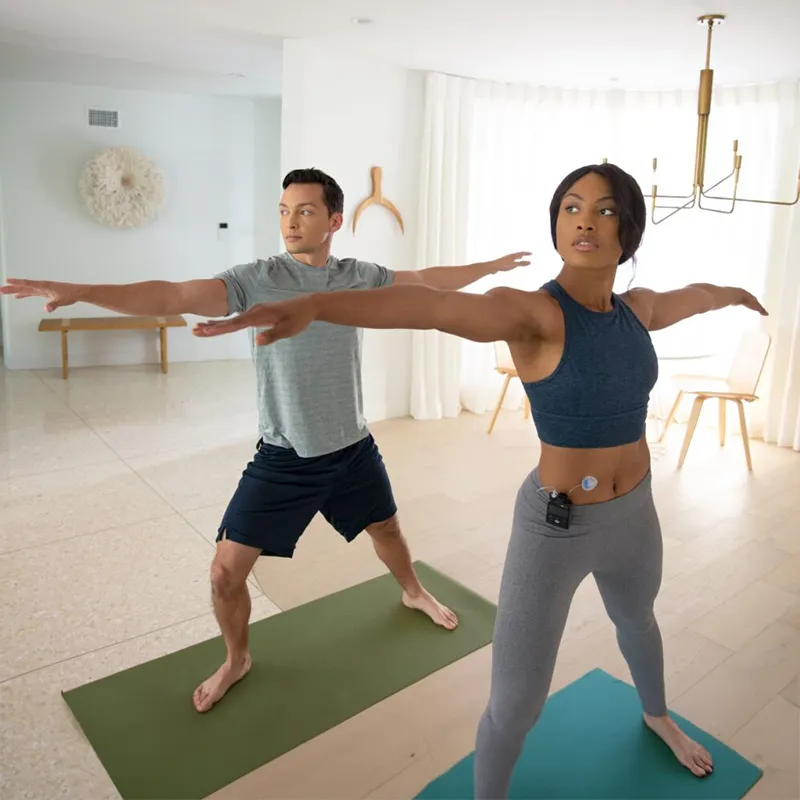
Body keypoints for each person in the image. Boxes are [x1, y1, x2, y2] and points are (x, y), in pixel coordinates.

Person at [190, 162, 769, 794]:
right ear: (555, 222)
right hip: (558, 527)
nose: (585, 221)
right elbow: (433, 307)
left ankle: (657, 715)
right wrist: (319, 303)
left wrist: (736, 293)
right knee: (517, 703)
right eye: (572, 207)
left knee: (640, 624)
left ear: (629, 231)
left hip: (635, 515)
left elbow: (701, 295)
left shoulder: (640, 310)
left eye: (606, 211)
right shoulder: (533, 315)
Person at [1, 167, 531, 714]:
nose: (290, 221)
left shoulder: (358, 275)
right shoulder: (257, 277)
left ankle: (412, 589)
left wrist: (488, 267)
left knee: (388, 527)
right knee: (224, 572)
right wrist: (82, 291)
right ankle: (237, 658)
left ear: (334, 221)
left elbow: (427, 281)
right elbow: (174, 294)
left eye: (304, 211)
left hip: (351, 447)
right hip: (284, 456)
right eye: (283, 210)